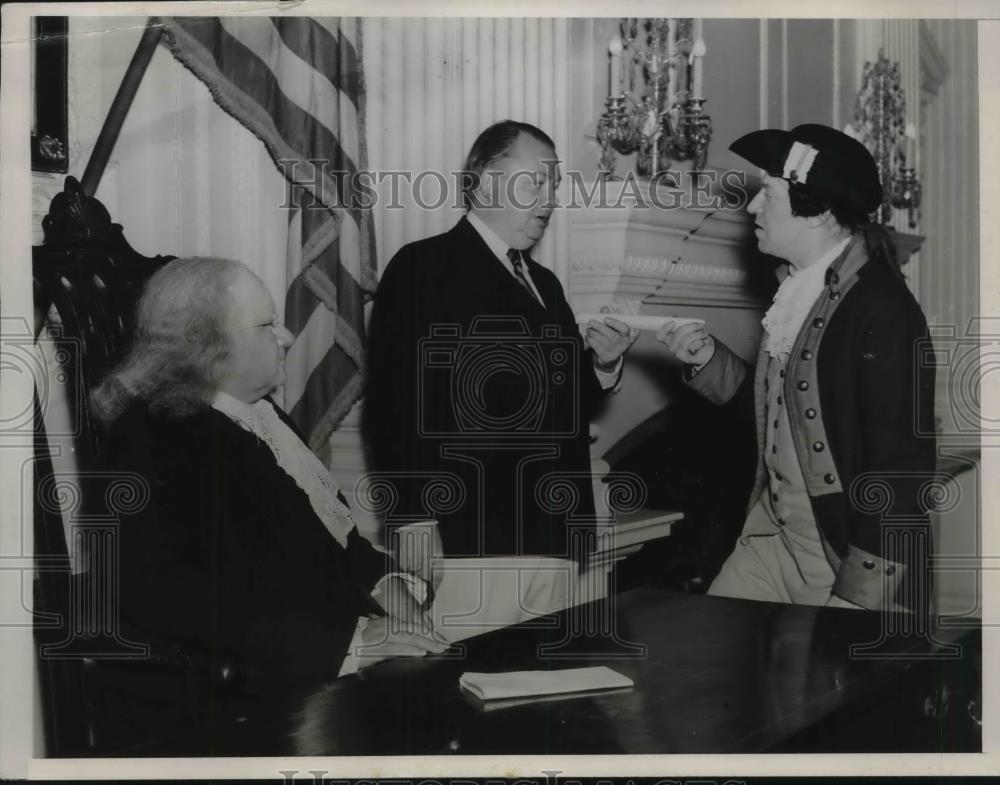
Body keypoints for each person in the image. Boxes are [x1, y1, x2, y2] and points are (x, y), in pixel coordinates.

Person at [91, 257, 446, 693]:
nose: (288, 336)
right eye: (267, 325)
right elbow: (161, 597)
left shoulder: (260, 414)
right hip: (235, 692)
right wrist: (344, 645)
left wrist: (393, 593)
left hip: (323, 658)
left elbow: (333, 542)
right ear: (209, 344)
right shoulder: (149, 435)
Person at [658, 124, 936, 611]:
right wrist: (708, 359)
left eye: (768, 194)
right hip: (768, 545)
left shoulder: (884, 309)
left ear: (819, 212)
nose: (751, 208)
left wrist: (860, 596)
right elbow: (782, 417)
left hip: (839, 557)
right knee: (706, 650)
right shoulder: (795, 290)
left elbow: (901, 469)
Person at [365, 120, 637, 559]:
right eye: (537, 182)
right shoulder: (424, 267)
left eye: (555, 185)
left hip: (559, 537)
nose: (550, 200)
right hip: (472, 538)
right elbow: (396, 406)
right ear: (488, 182)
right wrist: (412, 518)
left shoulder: (545, 284)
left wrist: (603, 365)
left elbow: (561, 404)